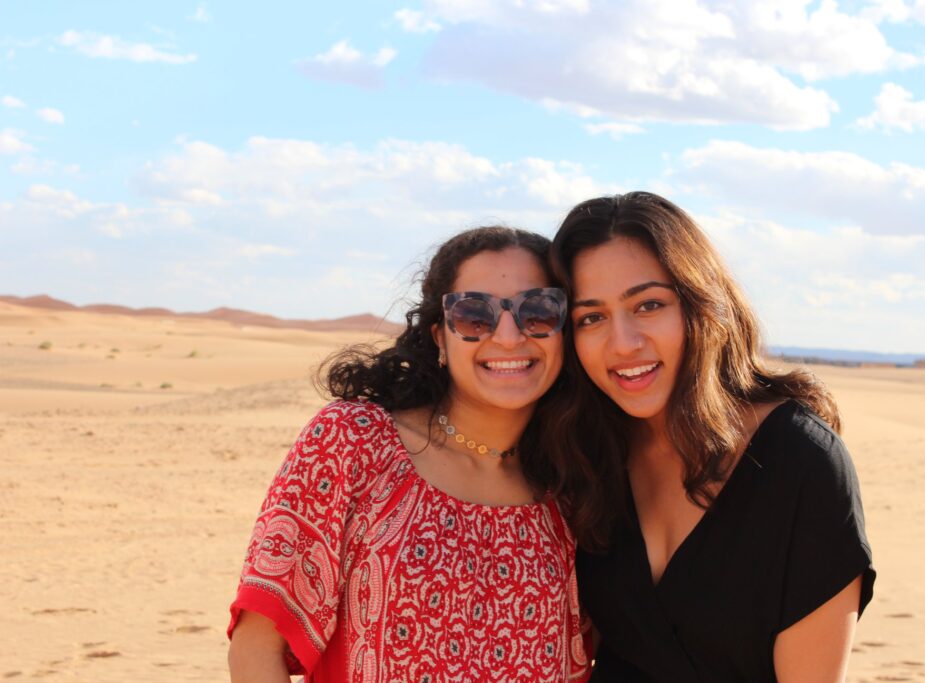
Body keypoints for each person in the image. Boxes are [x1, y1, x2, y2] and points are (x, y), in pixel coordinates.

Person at [227, 227, 591, 682]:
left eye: (537, 311)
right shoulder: (355, 442)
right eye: (474, 316)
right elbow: (257, 646)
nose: (509, 336)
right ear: (440, 336)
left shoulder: (572, 487)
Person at [546, 192, 875, 682]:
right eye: (590, 317)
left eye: (649, 304)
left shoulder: (800, 462)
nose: (623, 343)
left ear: (701, 306)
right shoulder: (586, 453)